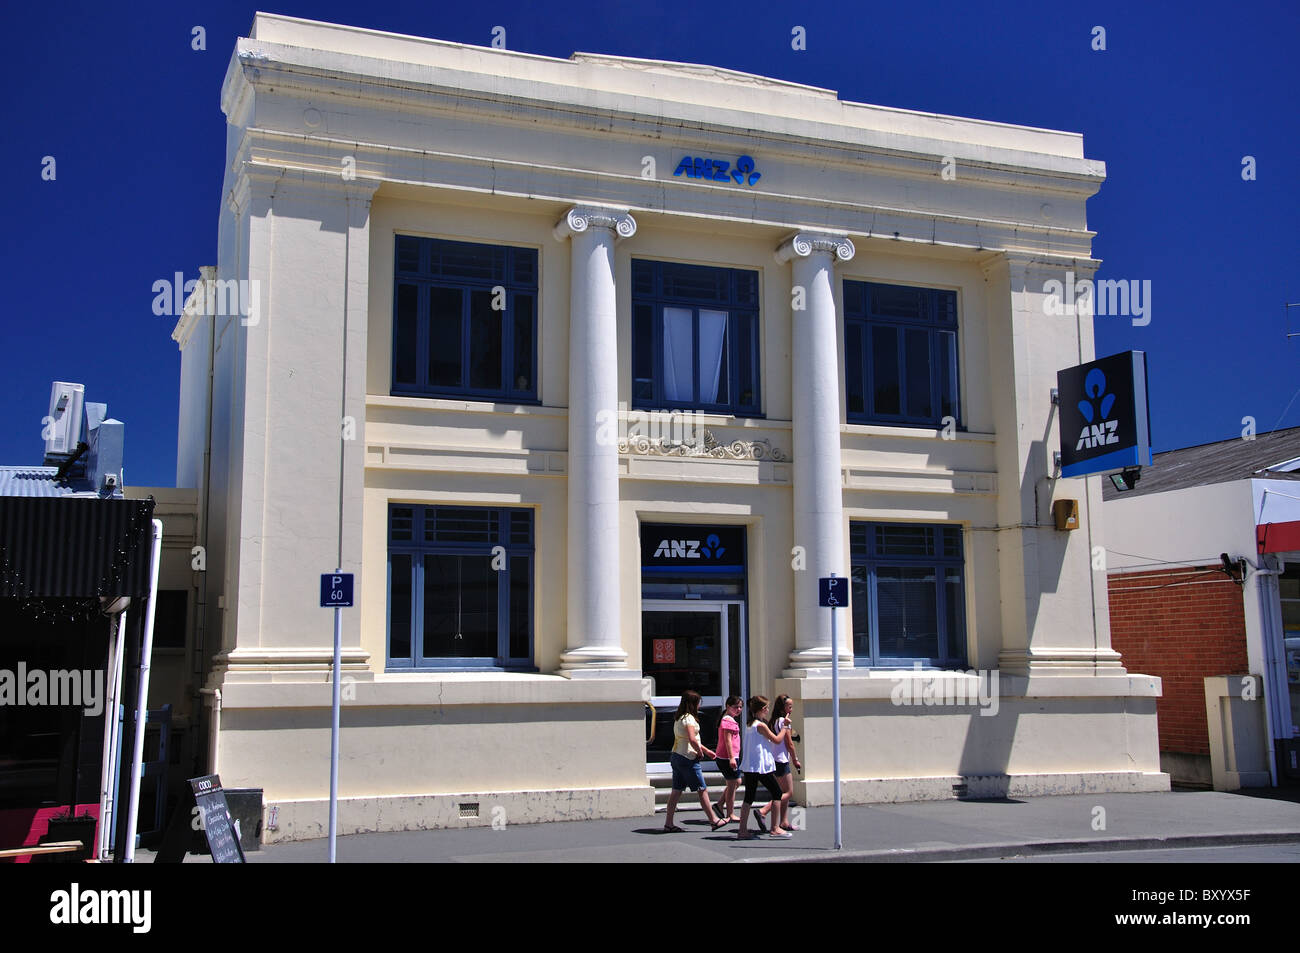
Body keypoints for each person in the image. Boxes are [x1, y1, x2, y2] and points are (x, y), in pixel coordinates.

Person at [663, 690, 726, 832]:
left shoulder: (679, 717)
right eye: (698, 703)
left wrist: (706, 750)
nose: (699, 705)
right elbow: (692, 738)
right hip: (688, 758)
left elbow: (689, 738)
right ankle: (713, 820)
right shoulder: (689, 719)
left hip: (677, 755)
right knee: (702, 789)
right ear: (692, 704)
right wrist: (699, 752)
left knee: (676, 791)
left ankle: (668, 823)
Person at [736, 695, 792, 840]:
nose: (768, 710)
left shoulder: (750, 724)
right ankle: (775, 828)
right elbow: (777, 740)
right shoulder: (760, 725)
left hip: (751, 766)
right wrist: (785, 726)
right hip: (760, 766)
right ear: (761, 709)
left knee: (749, 797)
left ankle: (742, 830)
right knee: (777, 792)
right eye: (766, 708)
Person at [758, 694, 801, 833]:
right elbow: (789, 743)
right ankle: (764, 810)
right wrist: (795, 759)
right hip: (781, 760)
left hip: (774, 759)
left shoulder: (774, 720)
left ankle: (784, 821)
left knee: (782, 791)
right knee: (788, 792)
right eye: (789, 706)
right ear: (782, 708)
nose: (791, 709)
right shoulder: (784, 722)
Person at [713, 696, 744, 824]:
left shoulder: (728, 719)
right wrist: (731, 758)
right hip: (726, 757)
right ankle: (730, 813)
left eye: (740, 707)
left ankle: (720, 804)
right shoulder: (728, 720)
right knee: (732, 785)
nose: (738, 709)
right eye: (735, 707)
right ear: (728, 706)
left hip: (729, 757)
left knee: (737, 781)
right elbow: (728, 740)